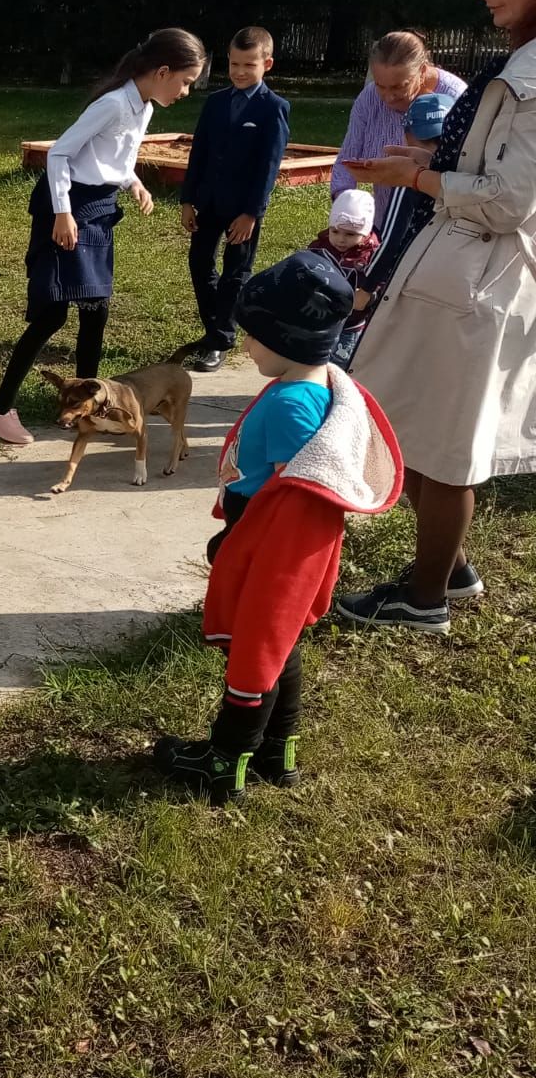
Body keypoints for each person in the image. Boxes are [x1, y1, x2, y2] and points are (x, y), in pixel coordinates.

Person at [155, 253, 402, 806]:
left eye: (253, 337)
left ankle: (224, 762)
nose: (245, 347)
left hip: (273, 541)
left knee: (257, 644)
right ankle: (276, 750)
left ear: (286, 337)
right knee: (281, 644)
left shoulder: (293, 405)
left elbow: (293, 493)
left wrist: (242, 543)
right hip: (281, 539)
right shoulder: (319, 385)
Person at [339, 0, 536, 634]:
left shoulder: (533, 75)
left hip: (483, 275)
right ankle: (447, 569)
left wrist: (421, 178)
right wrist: (429, 157)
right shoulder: (518, 63)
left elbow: (513, 202)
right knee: (414, 423)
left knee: (448, 445)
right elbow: (493, 165)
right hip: (454, 264)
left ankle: (424, 601)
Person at [0, 28, 207, 445]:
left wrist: (133, 182)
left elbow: (111, 158)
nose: (187, 91)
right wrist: (63, 213)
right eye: (186, 81)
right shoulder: (114, 104)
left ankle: (92, 405)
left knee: (96, 309)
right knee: (53, 314)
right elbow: (62, 153)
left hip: (98, 209)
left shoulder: (144, 108)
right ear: (161, 71)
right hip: (67, 208)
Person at [180, 26, 292, 374]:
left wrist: (252, 213)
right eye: (234, 64)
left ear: (266, 64)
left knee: (235, 273)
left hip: (242, 209)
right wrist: (187, 200)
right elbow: (198, 152)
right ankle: (217, 329)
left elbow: (268, 167)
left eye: (249, 65)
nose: (240, 72)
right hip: (209, 202)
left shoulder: (273, 108)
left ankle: (220, 339)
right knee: (200, 263)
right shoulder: (215, 103)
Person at [341, 91, 454, 368]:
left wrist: (366, 286)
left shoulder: (411, 177)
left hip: (411, 277)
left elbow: (392, 236)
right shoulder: (459, 174)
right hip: (451, 274)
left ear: (407, 135)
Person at [332, 31, 467, 223]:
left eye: (398, 87)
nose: (388, 97)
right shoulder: (369, 98)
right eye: (380, 85)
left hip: (441, 224)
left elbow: (468, 171)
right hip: (384, 221)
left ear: (421, 71)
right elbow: (346, 160)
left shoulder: (457, 98)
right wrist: (345, 207)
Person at [311, 190, 382, 370]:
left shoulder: (373, 256)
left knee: (340, 367)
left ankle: (338, 394)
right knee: (313, 362)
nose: (341, 240)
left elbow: (383, 286)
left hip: (352, 324)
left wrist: (369, 296)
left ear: (365, 233)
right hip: (320, 320)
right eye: (335, 231)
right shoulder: (319, 248)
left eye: (350, 235)